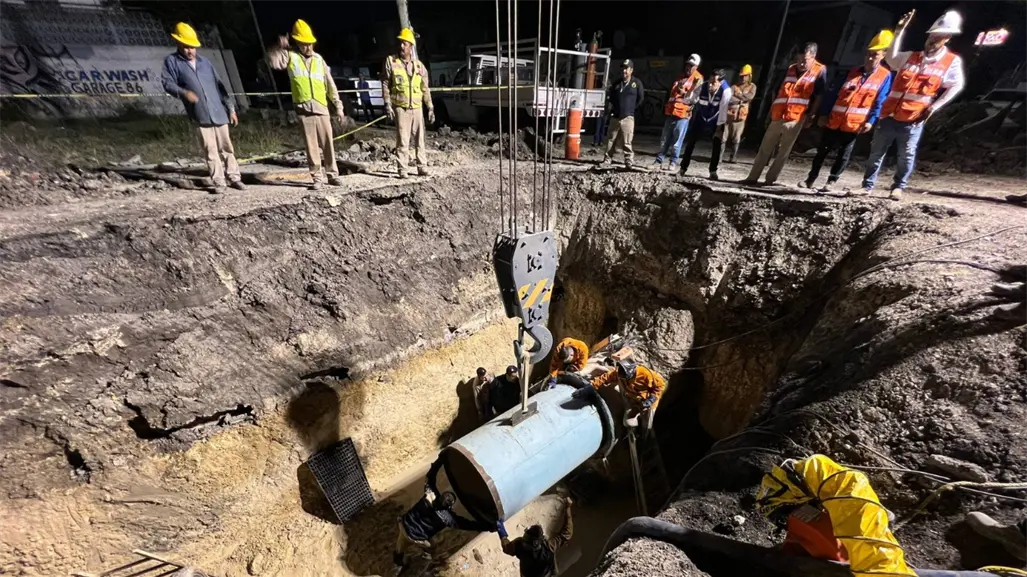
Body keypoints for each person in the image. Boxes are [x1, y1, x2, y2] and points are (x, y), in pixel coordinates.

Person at [858, 10, 965, 201]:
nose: (932, 40)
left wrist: (934, 107)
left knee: (905, 155)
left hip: (913, 118)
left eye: (938, 37)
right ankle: (867, 186)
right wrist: (899, 31)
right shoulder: (911, 57)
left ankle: (898, 187)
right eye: (932, 36)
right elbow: (891, 59)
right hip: (889, 114)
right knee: (876, 153)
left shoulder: (950, 62)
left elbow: (956, 85)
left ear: (947, 38)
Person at [800, 31, 894, 193]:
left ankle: (831, 181)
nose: (870, 58)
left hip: (854, 124)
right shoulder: (852, 72)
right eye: (868, 54)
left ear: (884, 55)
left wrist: (871, 121)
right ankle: (810, 179)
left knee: (843, 155)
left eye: (875, 55)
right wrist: (824, 114)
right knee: (822, 151)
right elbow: (833, 94)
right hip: (835, 119)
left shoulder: (884, 76)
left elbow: (880, 100)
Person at [161, 23, 244, 194]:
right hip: (200, 114)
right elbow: (167, 83)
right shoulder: (172, 62)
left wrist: (231, 108)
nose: (190, 50)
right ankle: (219, 182)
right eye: (186, 47)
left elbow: (220, 87)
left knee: (227, 148)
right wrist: (184, 92)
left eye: (192, 47)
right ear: (178, 44)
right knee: (211, 150)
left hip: (219, 112)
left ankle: (234, 177)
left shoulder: (205, 63)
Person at [266, 19, 346, 191]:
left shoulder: (319, 60)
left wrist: (338, 106)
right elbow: (272, 61)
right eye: (304, 44)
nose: (308, 47)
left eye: (310, 44)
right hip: (303, 109)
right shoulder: (290, 57)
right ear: (297, 42)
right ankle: (317, 177)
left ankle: (332, 174)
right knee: (311, 146)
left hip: (321, 107)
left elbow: (330, 85)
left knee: (328, 144)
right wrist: (279, 47)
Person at [744, 43, 827, 185]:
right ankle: (752, 177)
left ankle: (770, 180)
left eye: (805, 60)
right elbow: (776, 91)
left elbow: (819, 95)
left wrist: (811, 115)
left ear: (813, 58)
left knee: (783, 151)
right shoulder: (790, 69)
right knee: (765, 147)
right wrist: (772, 110)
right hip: (778, 115)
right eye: (799, 59)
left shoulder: (819, 71)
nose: (801, 63)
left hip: (796, 116)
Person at [394, 457, 495, 572]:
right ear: (449, 506)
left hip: (404, 525)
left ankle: (398, 565)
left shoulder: (430, 495)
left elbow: (429, 478)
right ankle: (426, 557)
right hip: (417, 538)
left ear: (440, 496)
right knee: (430, 547)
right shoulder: (447, 518)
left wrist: (439, 461)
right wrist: (488, 526)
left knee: (399, 547)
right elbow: (467, 524)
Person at [384, 27, 435, 178]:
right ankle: (403, 169)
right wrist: (387, 103)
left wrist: (430, 107)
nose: (401, 46)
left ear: (411, 46)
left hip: (417, 108)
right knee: (403, 140)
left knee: (420, 139)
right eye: (400, 43)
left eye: (405, 44)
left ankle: (422, 166)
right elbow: (385, 83)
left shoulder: (419, 66)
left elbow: (425, 88)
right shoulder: (391, 62)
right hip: (401, 107)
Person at [580, 359, 665, 432]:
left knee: (647, 425)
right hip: (633, 399)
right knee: (627, 423)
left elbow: (660, 386)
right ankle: (633, 430)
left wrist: (651, 399)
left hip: (648, 402)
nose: (621, 375)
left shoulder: (646, 374)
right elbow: (605, 377)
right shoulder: (620, 373)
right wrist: (591, 387)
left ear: (631, 371)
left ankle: (644, 438)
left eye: (623, 374)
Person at [498, 497, 574, 577]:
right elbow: (567, 533)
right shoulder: (548, 547)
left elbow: (506, 547)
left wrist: (501, 531)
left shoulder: (519, 545)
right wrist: (568, 508)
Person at [678, 69, 732, 180]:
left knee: (717, 145)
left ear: (720, 82)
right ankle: (683, 168)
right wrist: (691, 89)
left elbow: (723, 110)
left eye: (713, 83)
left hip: (716, 119)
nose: (710, 84)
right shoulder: (703, 86)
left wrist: (719, 127)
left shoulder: (726, 91)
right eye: (710, 81)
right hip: (701, 117)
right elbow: (688, 100)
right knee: (690, 142)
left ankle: (713, 171)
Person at [653, 54, 703, 171]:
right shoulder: (680, 77)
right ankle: (659, 160)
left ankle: (673, 162)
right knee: (664, 139)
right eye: (687, 65)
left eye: (691, 66)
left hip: (683, 115)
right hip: (671, 112)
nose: (688, 68)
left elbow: (695, 99)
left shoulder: (698, 79)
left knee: (676, 141)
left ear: (696, 67)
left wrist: (684, 92)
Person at [601, 59, 645, 167]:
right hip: (615, 117)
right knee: (611, 140)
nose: (624, 71)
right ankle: (607, 159)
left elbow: (641, 98)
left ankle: (628, 159)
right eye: (623, 68)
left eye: (626, 69)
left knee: (627, 140)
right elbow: (611, 98)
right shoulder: (616, 83)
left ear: (631, 70)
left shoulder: (636, 83)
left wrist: (631, 109)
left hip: (628, 117)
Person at [724, 64, 756, 163]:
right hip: (730, 114)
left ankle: (733, 157)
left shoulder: (752, 87)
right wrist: (741, 99)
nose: (743, 77)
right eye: (742, 76)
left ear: (749, 76)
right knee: (724, 136)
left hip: (741, 116)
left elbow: (749, 97)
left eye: (745, 76)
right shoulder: (734, 86)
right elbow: (729, 98)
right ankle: (719, 157)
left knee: (737, 137)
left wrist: (738, 96)